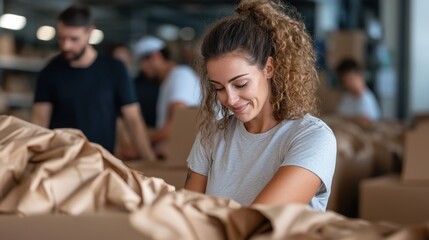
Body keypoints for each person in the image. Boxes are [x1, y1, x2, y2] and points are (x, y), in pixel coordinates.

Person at [184, 0, 336, 211]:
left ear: (269, 68)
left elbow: (256, 222)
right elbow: (186, 212)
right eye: (218, 88)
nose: (230, 99)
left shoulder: (312, 137)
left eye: (240, 84)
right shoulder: (212, 136)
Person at [31, 5, 156, 161]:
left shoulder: (115, 70)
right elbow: (39, 124)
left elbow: (133, 120)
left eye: (73, 39)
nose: (65, 45)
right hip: (61, 162)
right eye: (61, 38)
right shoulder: (49, 72)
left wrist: (151, 163)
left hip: (102, 163)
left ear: (90, 33)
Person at [135, 36, 201, 157]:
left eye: (142, 63)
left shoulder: (180, 76)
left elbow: (176, 124)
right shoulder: (168, 80)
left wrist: (141, 145)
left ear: (155, 56)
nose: (142, 69)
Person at [336, 58, 381, 122]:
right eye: (345, 81)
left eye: (350, 79)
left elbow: (367, 122)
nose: (347, 84)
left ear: (359, 75)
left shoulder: (367, 99)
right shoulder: (346, 97)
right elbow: (339, 117)